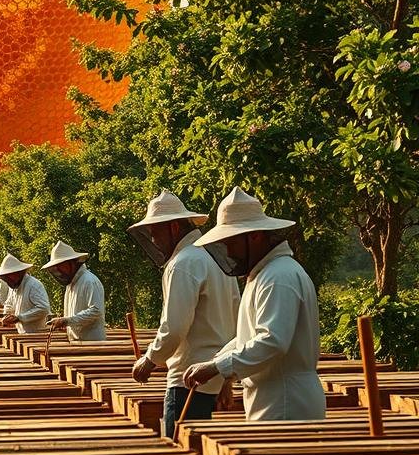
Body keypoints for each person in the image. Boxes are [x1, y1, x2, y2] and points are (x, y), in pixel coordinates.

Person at [183, 187, 326, 422]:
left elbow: (272, 341)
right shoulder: (265, 274)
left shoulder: (278, 277)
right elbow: (247, 339)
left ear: (255, 236)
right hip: (272, 396)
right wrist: (218, 366)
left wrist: (218, 367)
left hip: (286, 401)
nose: (228, 250)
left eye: (231, 242)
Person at [126, 190, 240, 438]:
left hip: (187, 378)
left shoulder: (183, 262)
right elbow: (235, 319)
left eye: (155, 232)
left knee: (180, 449)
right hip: (212, 373)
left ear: (174, 227)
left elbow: (174, 326)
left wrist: (149, 360)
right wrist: (224, 374)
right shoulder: (214, 255)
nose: (154, 241)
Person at [44, 241, 106, 342]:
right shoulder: (71, 285)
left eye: (61, 266)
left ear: (72, 263)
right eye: (57, 268)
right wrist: (65, 322)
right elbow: (74, 316)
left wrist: (68, 320)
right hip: (76, 341)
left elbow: (96, 311)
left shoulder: (89, 281)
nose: (59, 271)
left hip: (92, 343)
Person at [0, 253, 50, 333]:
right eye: (5, 276)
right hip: (22, 333)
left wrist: (20, 317)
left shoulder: (33, 285)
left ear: (17, 273)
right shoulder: (14, 286)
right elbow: (9, 303)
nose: (7, 279)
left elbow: (43, 309)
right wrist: (7, 315)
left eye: (9, 276)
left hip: (37, 333)